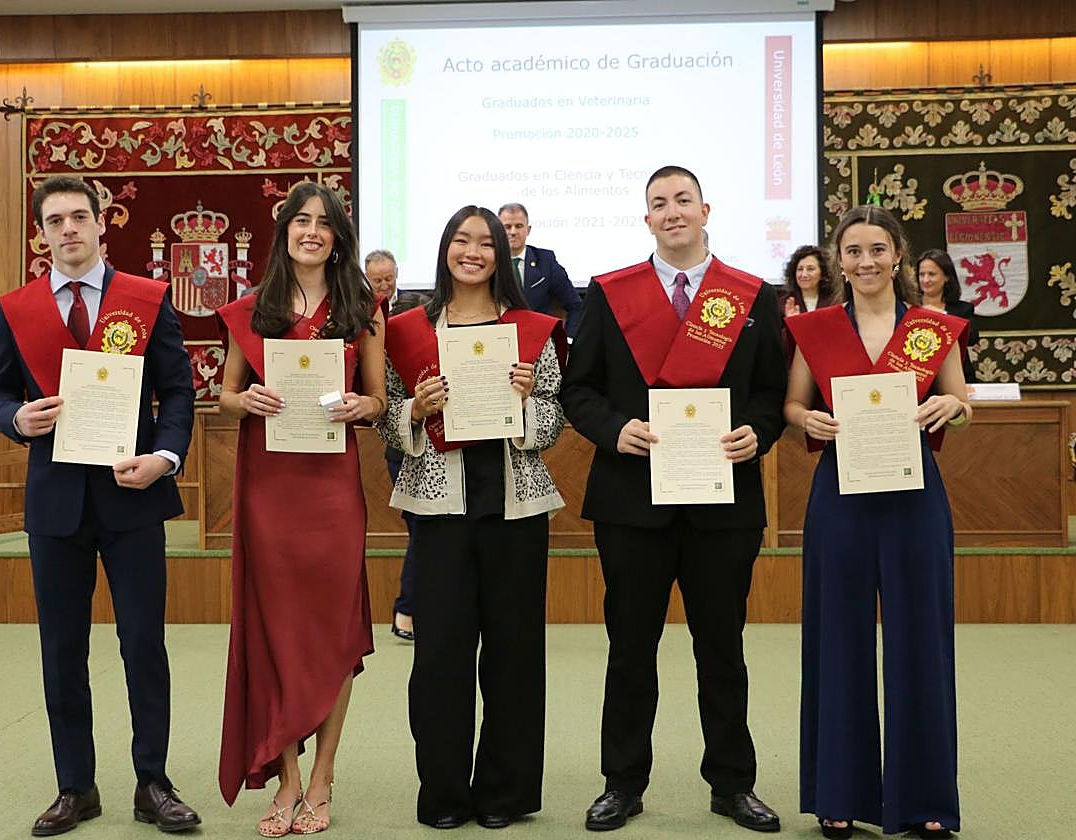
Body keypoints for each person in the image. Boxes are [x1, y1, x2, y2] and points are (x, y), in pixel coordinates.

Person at [560, 165, 786, 834]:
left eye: (683, 199)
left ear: (705, 209)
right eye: (659, 203)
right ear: (647, 218)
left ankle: (733, 785)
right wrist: (615, 429)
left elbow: (772, 393)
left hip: (724, 503)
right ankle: (622, 783)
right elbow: (579, 389)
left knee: (723, 649)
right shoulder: (610, 293)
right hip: (632, 503)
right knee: (631, 649)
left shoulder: (752, 295)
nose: (672, 211)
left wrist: (759, 432)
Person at [0, 175, 200, 836]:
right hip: (56, 505)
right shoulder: (17, 309)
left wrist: (165, 457)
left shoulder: (146, 299)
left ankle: (153, 782)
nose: (69, 229)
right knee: (62, 650)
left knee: (144, 644)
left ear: (102, 224)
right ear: (42, 234)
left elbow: (178, 392)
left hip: (134, 497)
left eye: (79, 216)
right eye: (55, 221)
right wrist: (16, 418)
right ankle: (75, 787)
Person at [376, 206, 567, 830]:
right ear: (445, 250)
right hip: (440, 510)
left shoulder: (532, 329)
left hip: (515, 507)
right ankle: (444, 794)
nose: (474, 252)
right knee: (440, 656)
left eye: (486, 243)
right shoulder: (407, 329)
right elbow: (386, 419)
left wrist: (526, 402)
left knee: (514, 655)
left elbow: (552, 420)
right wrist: (414, 410)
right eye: (462, 240)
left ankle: (504, 793)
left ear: (501, 256)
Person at [784, 205, 970, 840]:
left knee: (922, 640)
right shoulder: (815, 329)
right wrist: (805, 419)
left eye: (878, 250)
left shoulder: (931, 328)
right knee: (837, 638)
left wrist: (951, 407)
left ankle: (926, 800)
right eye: (854, 251)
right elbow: (793, 403)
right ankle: (839, 793)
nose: (866, 261)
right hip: (841, 495)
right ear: (839, 261)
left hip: (914, 497)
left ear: (898, 256)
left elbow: (961, 400)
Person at [216, 182, 387, 837]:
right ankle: (287, 780)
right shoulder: (252, 309)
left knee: (333, 628)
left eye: (324, 222)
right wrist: (246, 402)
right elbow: (226, 395)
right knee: (277, 630)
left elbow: (378, 400)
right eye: (300, 220)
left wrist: (362, 406)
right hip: (270, 487)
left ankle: (323, 777)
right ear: (284, 230)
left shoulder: (362, 309)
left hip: (332, 489)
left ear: (338, 237)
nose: (311, 231)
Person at [364, 248, 417, 641]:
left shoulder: (419, 305)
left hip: (437, 430)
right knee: (420, 528)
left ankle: (410, 609)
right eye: (377, 280)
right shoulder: (361, 313)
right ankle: (407, 610)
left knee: (425, 532)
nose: (385, 285)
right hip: (399, 436)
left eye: (389, 277)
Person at [498, 202, 584, 336]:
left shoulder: (546, 261)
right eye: (507, 227)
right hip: (500, 340)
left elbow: (575, 306)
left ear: (528, 230)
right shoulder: (489, 262)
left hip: (539, 340)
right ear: (498, 231)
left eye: (519, 226)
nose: (513, 232)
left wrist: (568, 341)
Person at [916, 249, 979, 383]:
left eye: (931, 274)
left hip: (957, 378)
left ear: (946, 277)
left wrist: (942, 318)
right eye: (921, 274)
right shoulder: (908, 307)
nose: (925, 280)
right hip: (919, 376)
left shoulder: (963, 309)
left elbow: (972, 338)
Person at [780, 245, 835, 317]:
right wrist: (792, 321)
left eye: (810, 269)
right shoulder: (783, 303)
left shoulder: (834, 301)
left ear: (823, 273)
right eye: (800, 269)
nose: (804, 274)